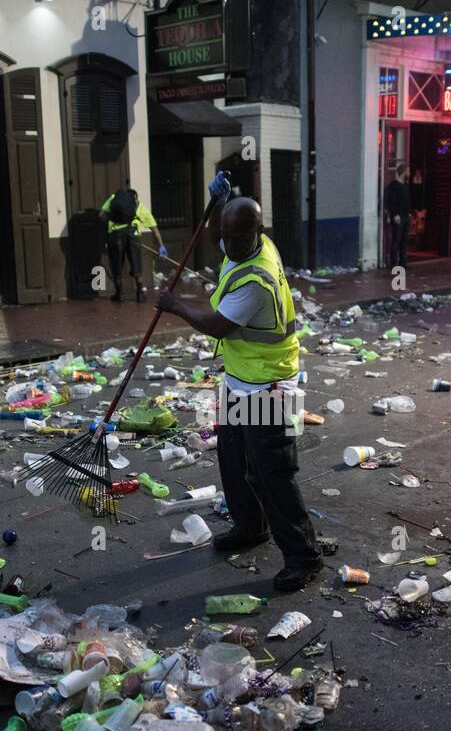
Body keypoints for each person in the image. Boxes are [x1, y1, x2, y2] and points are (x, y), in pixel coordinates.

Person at [155, 171, 323, 593]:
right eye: (223, 237)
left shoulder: (256, 280)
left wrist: (176, 305)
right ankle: (250, 527)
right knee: (233, 460)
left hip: (269, 384)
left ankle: (304, 557)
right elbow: (225, 236)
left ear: (256, 234)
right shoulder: (249, 242)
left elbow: (217, 325)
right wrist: (216, 203)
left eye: (234, 238)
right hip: (240, 378)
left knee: (273, 474)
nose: (227, 245)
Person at [100, 184, 165, 302]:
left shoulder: (113, 198)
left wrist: (110, 219)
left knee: (116, 265)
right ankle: (140, 294)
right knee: (136, 264)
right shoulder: (139, 206)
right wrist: (161, 245)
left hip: (116, 235)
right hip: (133, 235)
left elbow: (101, 215)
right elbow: (154, 228)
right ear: (135, 198)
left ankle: (119, 294)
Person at [384, 164, 411, 268]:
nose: (409, 173)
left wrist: (409, 213)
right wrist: (395, 215)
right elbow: (391, 202)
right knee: (396, 240)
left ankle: (403, 262)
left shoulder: (406, 185)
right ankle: (394, 263)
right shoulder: (393, 186)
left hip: (406, 216)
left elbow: (407, 201)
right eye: (408, 172)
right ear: (403, 172)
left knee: (404, 241)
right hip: (398, 217)